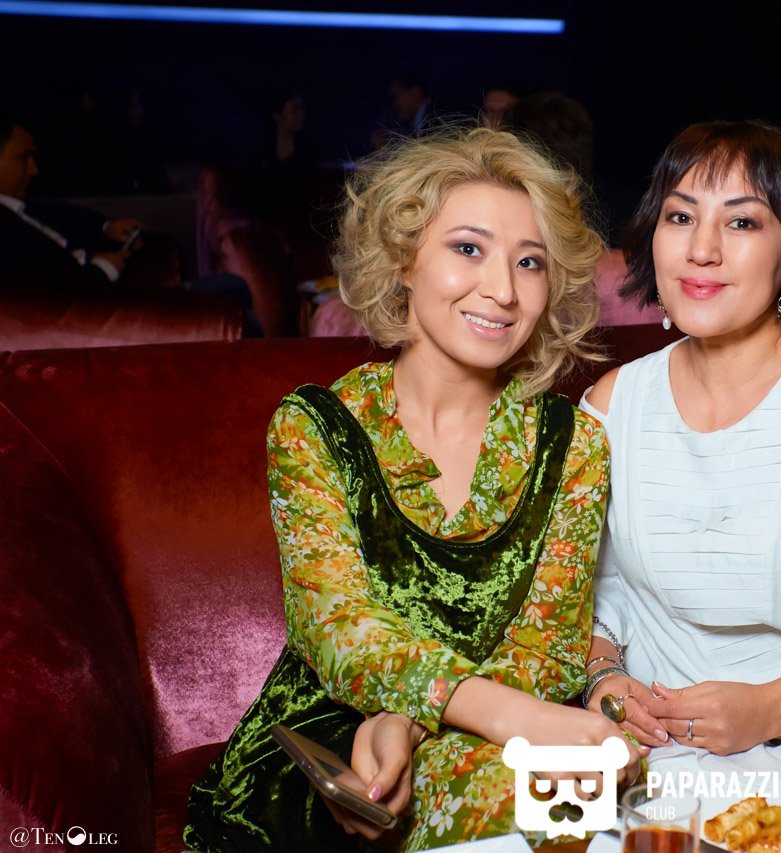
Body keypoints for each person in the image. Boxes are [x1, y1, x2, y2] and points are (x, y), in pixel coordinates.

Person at [354, 121, 781, 803]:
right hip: (663, 737)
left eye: (742, 222)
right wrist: (607, 680)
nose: (702, 249)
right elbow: (593, 597)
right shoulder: (611, 405)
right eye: (680, 217)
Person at [184, 126, 642, 852]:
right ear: (403, 260)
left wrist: (415, 717)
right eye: (469, 249)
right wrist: (495, 717)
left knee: (579, 803)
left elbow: (549, 645)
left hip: (490, 732)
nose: (503, 290)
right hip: (334, 745)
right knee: (551, 803)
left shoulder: (573, 442)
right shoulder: (317, 425)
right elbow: (337, 627)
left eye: (529, 262)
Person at [0, 116, 141, 286]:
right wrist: (103, 269)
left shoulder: (23, 208)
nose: (33, 170)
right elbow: (46, 286)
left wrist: (107, 228)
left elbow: (66, 216)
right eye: (24, 157)